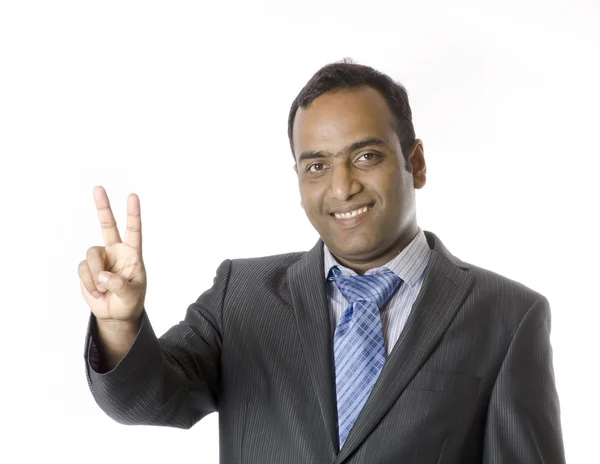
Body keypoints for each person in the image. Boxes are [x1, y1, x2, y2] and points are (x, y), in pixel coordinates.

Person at [80, 60, 566, 463]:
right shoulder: (241, 296)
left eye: (366, 157)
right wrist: (119, 325)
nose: (341, 187)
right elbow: (145, 398)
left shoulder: (507, 317)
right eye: (317, 166)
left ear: (414, 163)